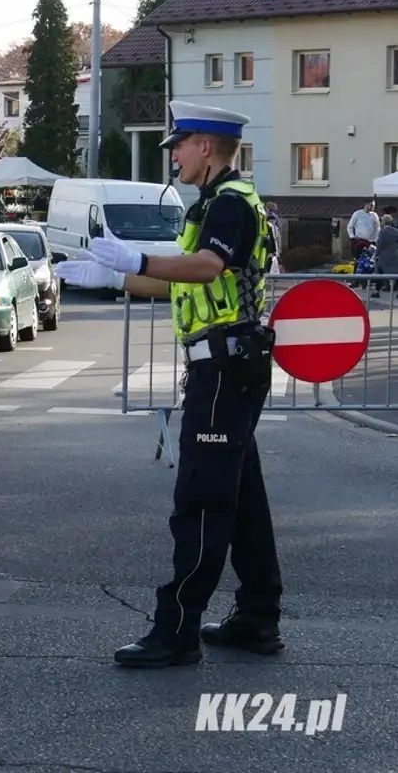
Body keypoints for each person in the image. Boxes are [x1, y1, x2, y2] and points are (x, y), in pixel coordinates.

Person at [57, 101, 282, 668]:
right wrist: (119, 274)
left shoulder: (228, 205)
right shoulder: (216, 203)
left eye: (179, 145)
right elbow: (187, 286)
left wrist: (139, 258)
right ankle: (258, 617)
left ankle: (176, 628)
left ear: (206, 146)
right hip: (228, 367)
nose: (174, 156)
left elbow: (207, 267)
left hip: (225, 370)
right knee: (243, 501)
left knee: (202, 501)